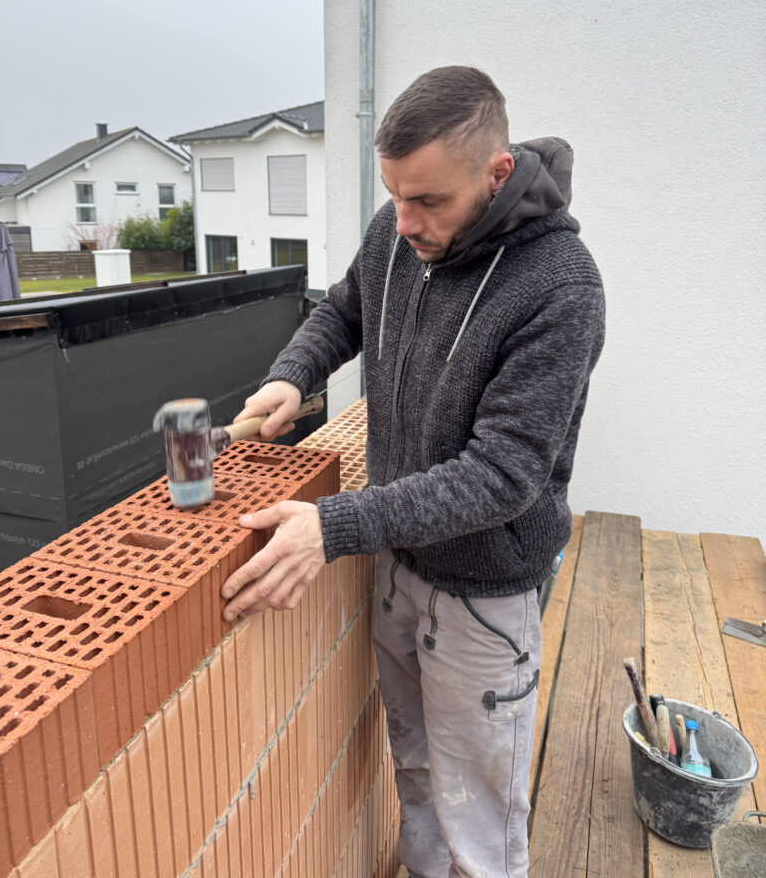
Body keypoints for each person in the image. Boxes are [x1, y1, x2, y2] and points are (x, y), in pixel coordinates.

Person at [221, 66, 605, 877]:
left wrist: (334, 527)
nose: (403, 222)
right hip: (400, 566)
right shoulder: (396, 233)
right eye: (395, 195)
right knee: (420, 777)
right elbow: (342, 310)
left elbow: (502, 476)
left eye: (427, 200)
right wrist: (294, 375)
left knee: (482, 821)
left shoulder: (561, 288)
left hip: (486, 593)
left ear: (497, 174)